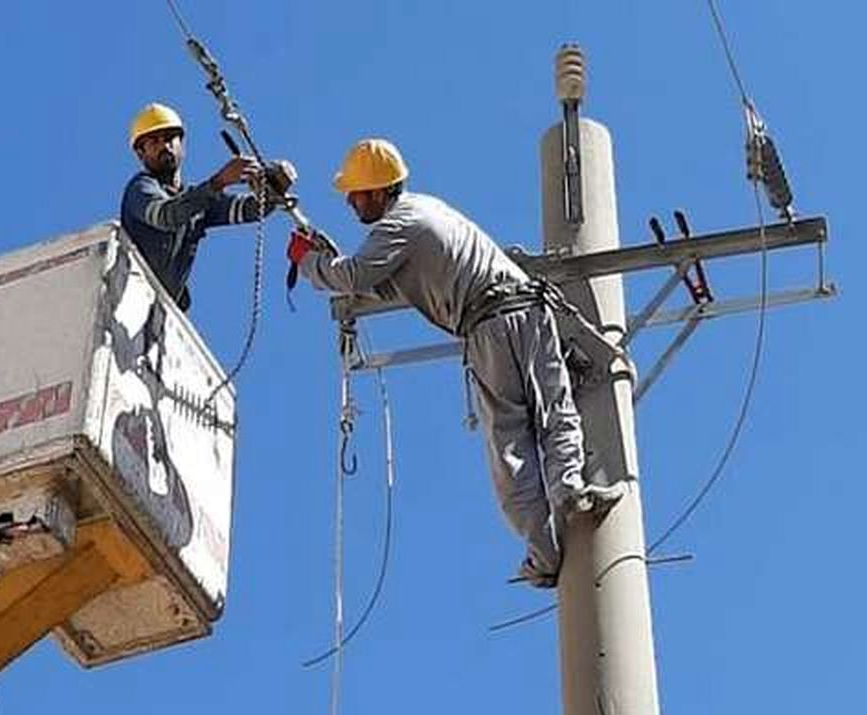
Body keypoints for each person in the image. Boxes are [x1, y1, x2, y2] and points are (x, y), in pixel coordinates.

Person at [286, 138, 622, 588]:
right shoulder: (426, 211)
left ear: (382, 190)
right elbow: (381, 283)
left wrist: (308, 262)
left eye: (357, 193)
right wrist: (328, 260)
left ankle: (545, 552)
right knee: (554, 412)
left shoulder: (399, 225)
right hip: (528, 306)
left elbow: (355, 277)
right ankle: (570, 492)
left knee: (510, 440)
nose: (350, 202)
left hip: (489, 324)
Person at [121, 102, 293, 312]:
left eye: (169, 138)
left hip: (162, 309)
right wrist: (220, 181)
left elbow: (249, 210)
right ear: (141, 153)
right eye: (154, 142)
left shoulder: (196, 201)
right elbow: (167, 216)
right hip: (130, 301)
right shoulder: (140, 188)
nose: (164, 146)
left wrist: (272, 188)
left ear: (181, 144)